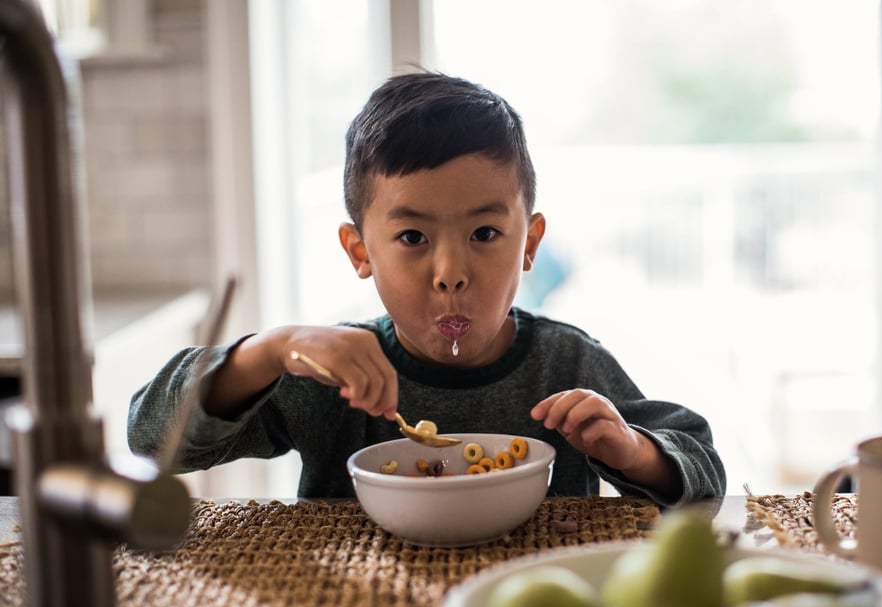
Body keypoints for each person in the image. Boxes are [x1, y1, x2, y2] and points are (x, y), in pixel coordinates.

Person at [127, 72, 725, 506]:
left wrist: (632, 451)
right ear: (360, 252)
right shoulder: (327, 376)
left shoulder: (566, 364)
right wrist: (273, 349)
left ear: (529, 245)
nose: (450, 272)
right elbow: (154, 441)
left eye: (485, 232)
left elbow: (702, 466)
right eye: (412, 237)